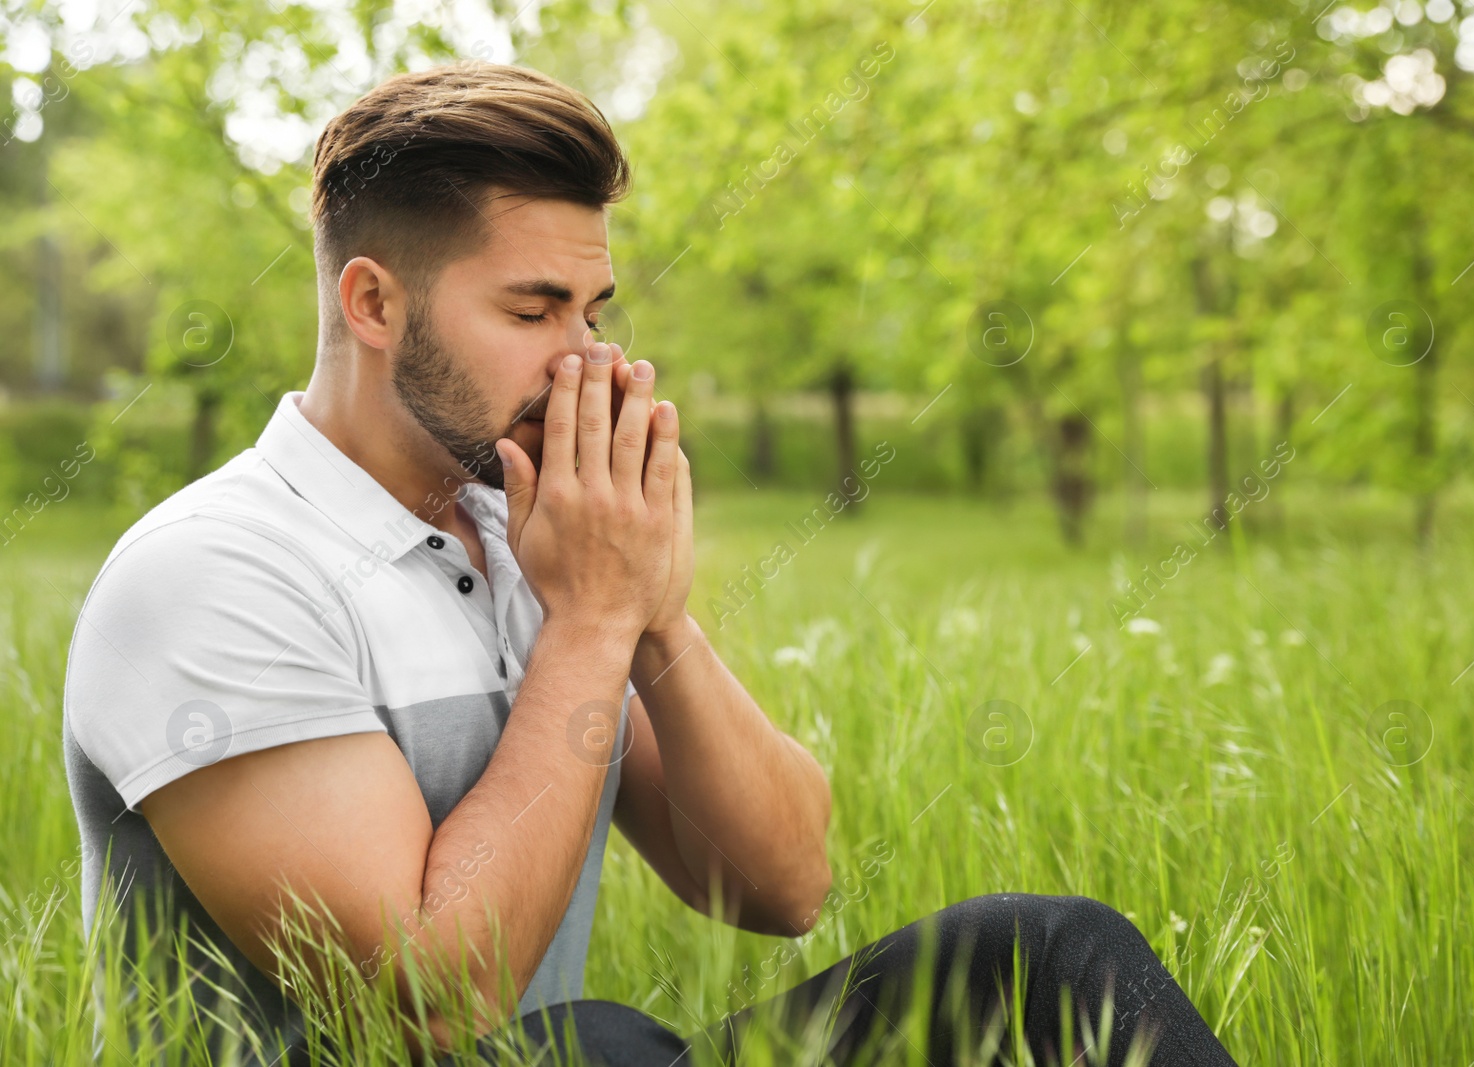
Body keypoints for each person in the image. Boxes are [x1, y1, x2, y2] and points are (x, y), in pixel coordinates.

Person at [62, 63, 1237, 1067]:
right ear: (373, 302)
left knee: (1046, 958)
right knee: (596, 1041)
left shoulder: (536, 535)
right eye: (534, 312)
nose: (590, 363)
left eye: (594, 310)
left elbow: (781, 886)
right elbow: (428, 1005)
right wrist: (590, 622)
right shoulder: (214, 572)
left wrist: (656, 613)